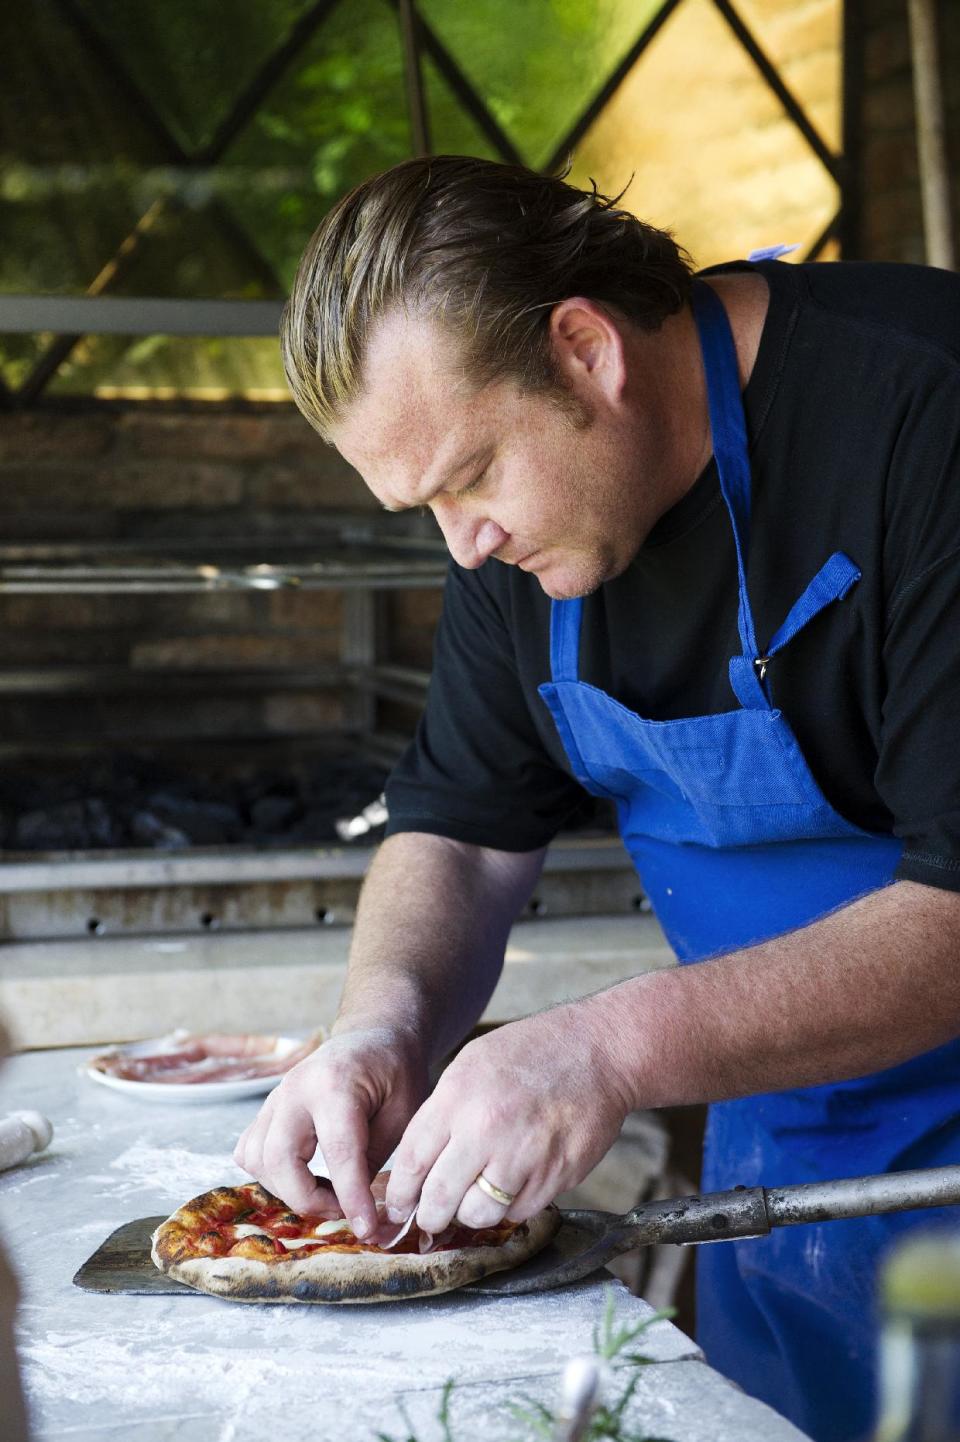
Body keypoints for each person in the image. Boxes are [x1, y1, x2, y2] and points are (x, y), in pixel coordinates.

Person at [234, 155, 960, 1441]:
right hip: (780, 1165)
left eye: (468, 479)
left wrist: (606, 1047)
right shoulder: (511, 524)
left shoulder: (925, 412)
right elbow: (460, 826)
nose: (463, 545)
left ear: (584, 349)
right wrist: (383, 1028)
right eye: (426, 507)